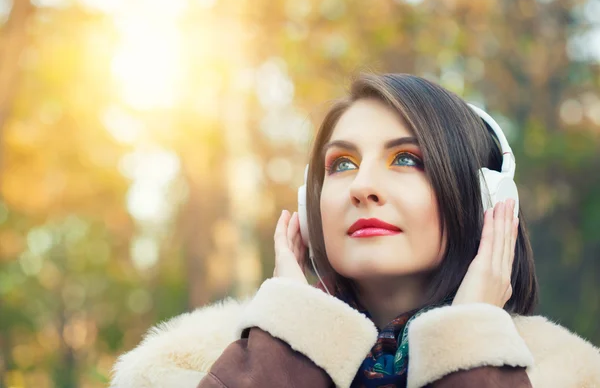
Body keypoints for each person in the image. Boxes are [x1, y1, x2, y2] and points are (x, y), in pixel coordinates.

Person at [110, 74, 600, 388]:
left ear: (488, 200)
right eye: (341, 164)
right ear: (310, 203)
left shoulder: (569, 375)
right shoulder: (182, 368)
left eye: (406, 159)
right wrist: (290, 340)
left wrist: (470, 343)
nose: (362, 187)